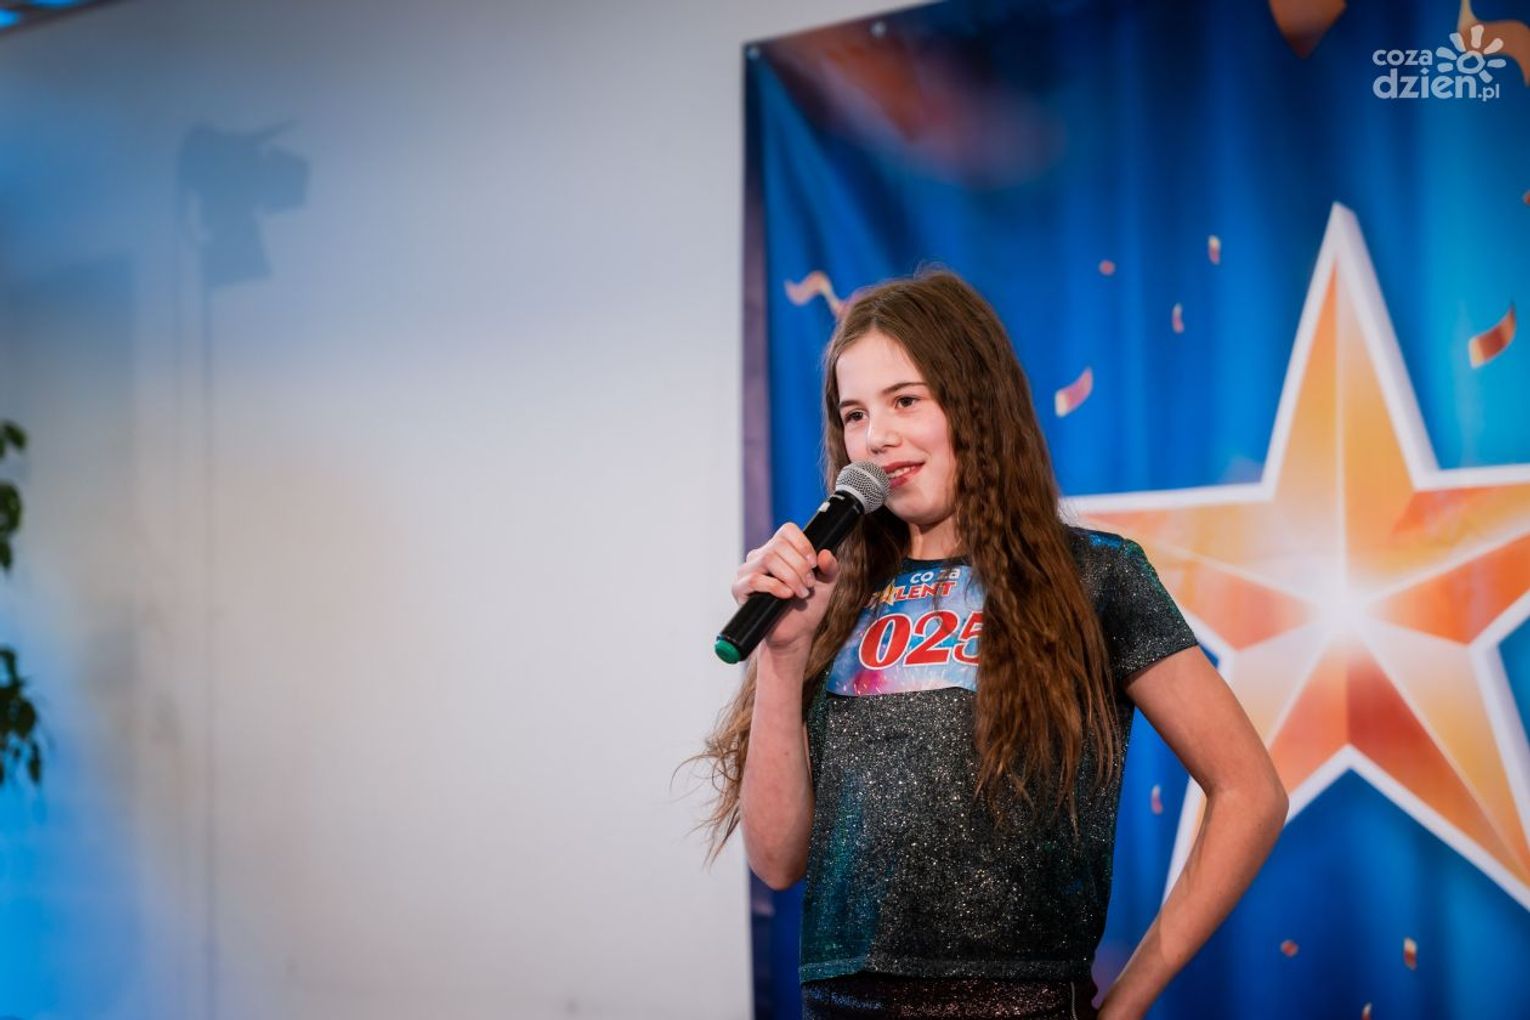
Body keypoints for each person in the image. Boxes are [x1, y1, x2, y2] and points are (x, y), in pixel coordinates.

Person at [692, 269, 1287, 1019]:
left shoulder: (1092, 579)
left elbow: (1250, 793)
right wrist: (781, 660)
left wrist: (1125, 1005)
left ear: (977, 401)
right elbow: (778, 862)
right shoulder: (826, 597)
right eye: (855, 414)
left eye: (907, 401)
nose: (877, 437)